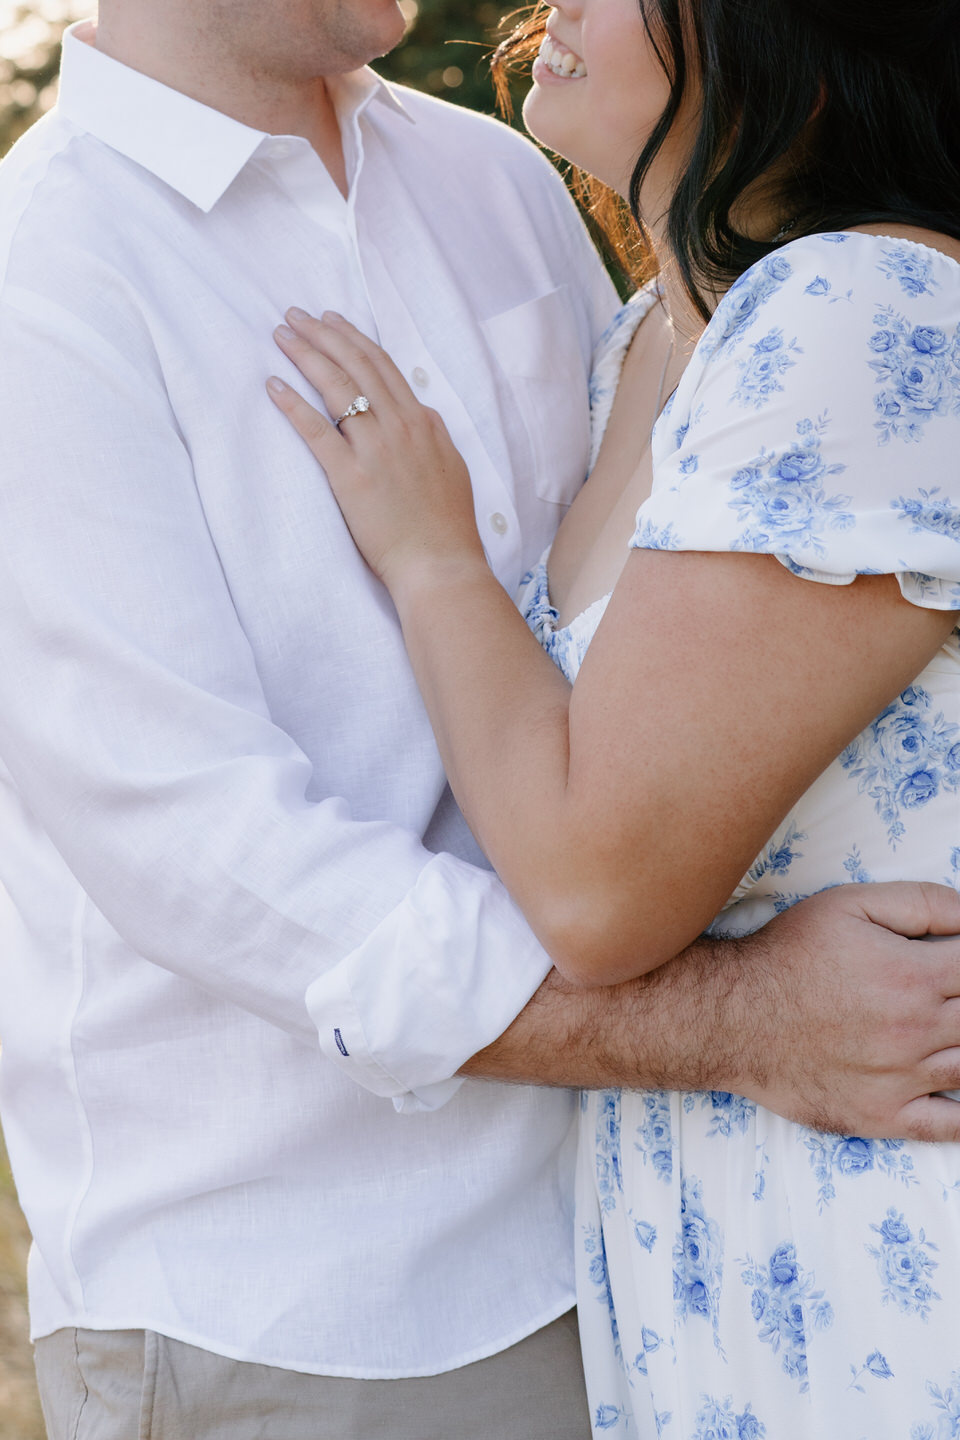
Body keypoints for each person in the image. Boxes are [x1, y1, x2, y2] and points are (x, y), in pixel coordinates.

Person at [1, 1, 959, 1437]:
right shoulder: (43, 276)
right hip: (328, 1311)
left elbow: (676, 659)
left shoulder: (499, 179)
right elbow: (208, 854)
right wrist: (736, 1020)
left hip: (681, 1238)